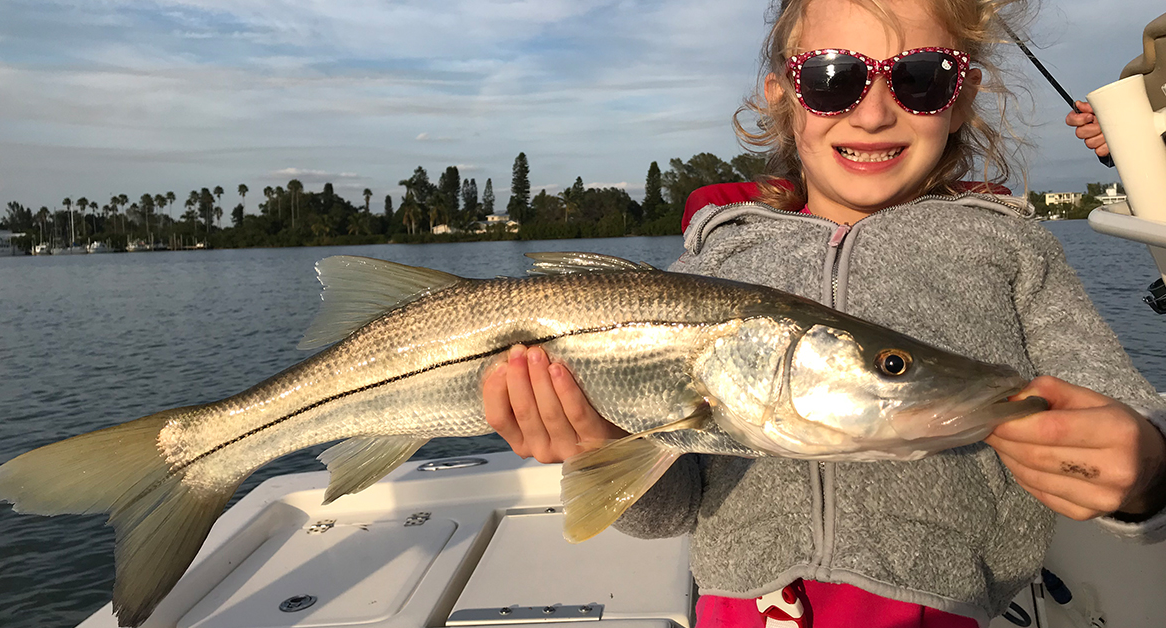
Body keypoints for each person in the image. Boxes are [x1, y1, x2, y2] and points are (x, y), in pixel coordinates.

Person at [481, 0, 1166, 626]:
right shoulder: (718, 260)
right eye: (833, 78)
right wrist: (595, 446)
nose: (871, 115)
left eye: (921, 77)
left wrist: (1144, 473)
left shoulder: (1011, 247)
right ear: (783, 98)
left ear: (962, 98)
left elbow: (1126, 417)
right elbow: (676, 503)